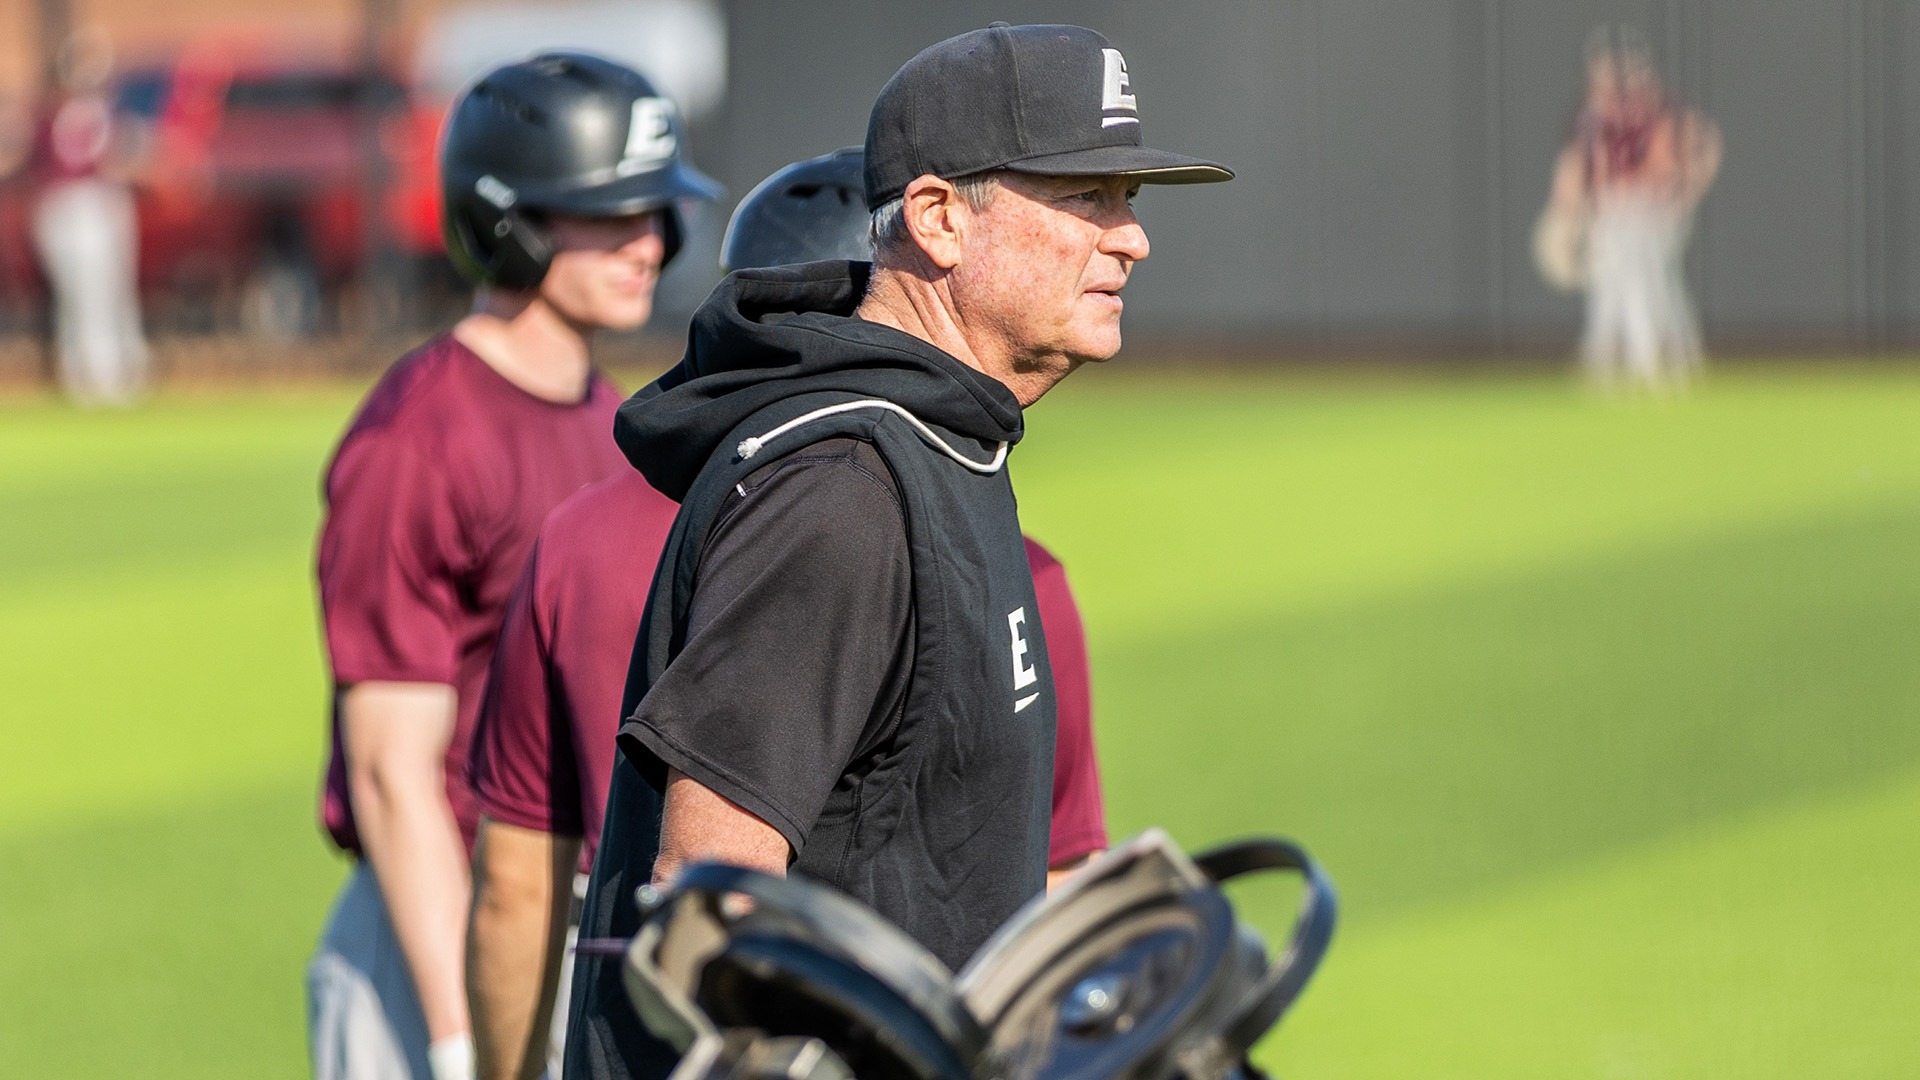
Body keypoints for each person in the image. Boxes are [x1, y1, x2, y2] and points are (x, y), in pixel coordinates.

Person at [563, 24, 1230, 1080]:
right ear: (937, 219)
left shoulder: (943, 446)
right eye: (1087, 196)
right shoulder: (844, 492)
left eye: (1129, 198)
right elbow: (709, 911)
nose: (1132, 238)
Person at [463, 146, 1110, 1080]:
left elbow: (519, 879)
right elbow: (1046, 898)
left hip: (626, 1020)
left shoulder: (575, 538)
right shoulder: (1000, 563)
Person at [307, 52, 719, 1080]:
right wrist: (460, 1034)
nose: (649, 242)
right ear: (511, 223)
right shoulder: (418, 440)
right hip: (433, 929)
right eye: (609, 213)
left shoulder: (617, 418)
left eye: (655, 213)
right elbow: (391, 773)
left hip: (558, 909)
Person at [1539, 27, 1720, 390]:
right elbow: (1577, 166)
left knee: (1647, 285)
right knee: (1617, 288)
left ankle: (1652, 364)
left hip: (1650, 209)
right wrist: (1567, 211)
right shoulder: (1593, 115)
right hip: (1613, 210)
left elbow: (1697, 148)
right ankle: (1610, 365)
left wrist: (1683, 193)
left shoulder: (1660, 110)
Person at [28, 27, 149, 406]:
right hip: (72, 203)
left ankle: (116, 370)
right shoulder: (62, 112)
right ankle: (92, 375)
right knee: (83, 293)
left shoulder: (100, 112)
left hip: (98, 200)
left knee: (110, 290)